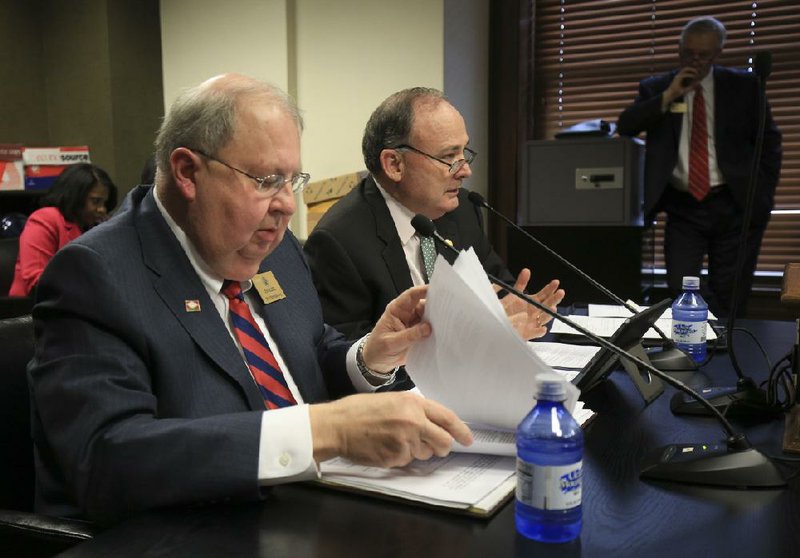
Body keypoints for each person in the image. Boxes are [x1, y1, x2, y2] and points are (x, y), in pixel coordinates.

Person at [27, 74, 473, 523]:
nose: (287, 206)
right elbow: (106, 459)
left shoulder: (277, 251)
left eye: (291, 181)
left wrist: (368, 358)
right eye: (265, 180)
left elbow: (309, 350)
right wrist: (323, 429)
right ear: (187, 172)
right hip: (194, 528)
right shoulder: (96, 274)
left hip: (316, 505)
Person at [304, 87, 564, 344]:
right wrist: (476, 335)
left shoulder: (462, 209)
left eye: (465, 153)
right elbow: (357, 359)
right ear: (394, 164)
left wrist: (513, 312)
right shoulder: (339, 242)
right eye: (449, 157)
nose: (465, 172)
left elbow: (499, 290)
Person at [617, 16, 782, 318]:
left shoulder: (743, 87)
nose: (695, 60)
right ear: (679, 50)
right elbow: (626, 126)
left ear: (717, 53)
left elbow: (769, 143)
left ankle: (722, 354)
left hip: (733, 203)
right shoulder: (657, 87)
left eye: (703, 55)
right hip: (683, 206)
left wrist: (763, 193)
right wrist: (670, 96)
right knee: (681, 286)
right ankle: (690, 347)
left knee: (730, 291)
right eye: (688, 53)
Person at [8, 163, 117, 297]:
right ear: (75, 196)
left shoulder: (96, 226)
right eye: (95, 201)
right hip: (34, 309)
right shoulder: (45, 219)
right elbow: (36, 280)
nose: (102, 209)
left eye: (104, 203)